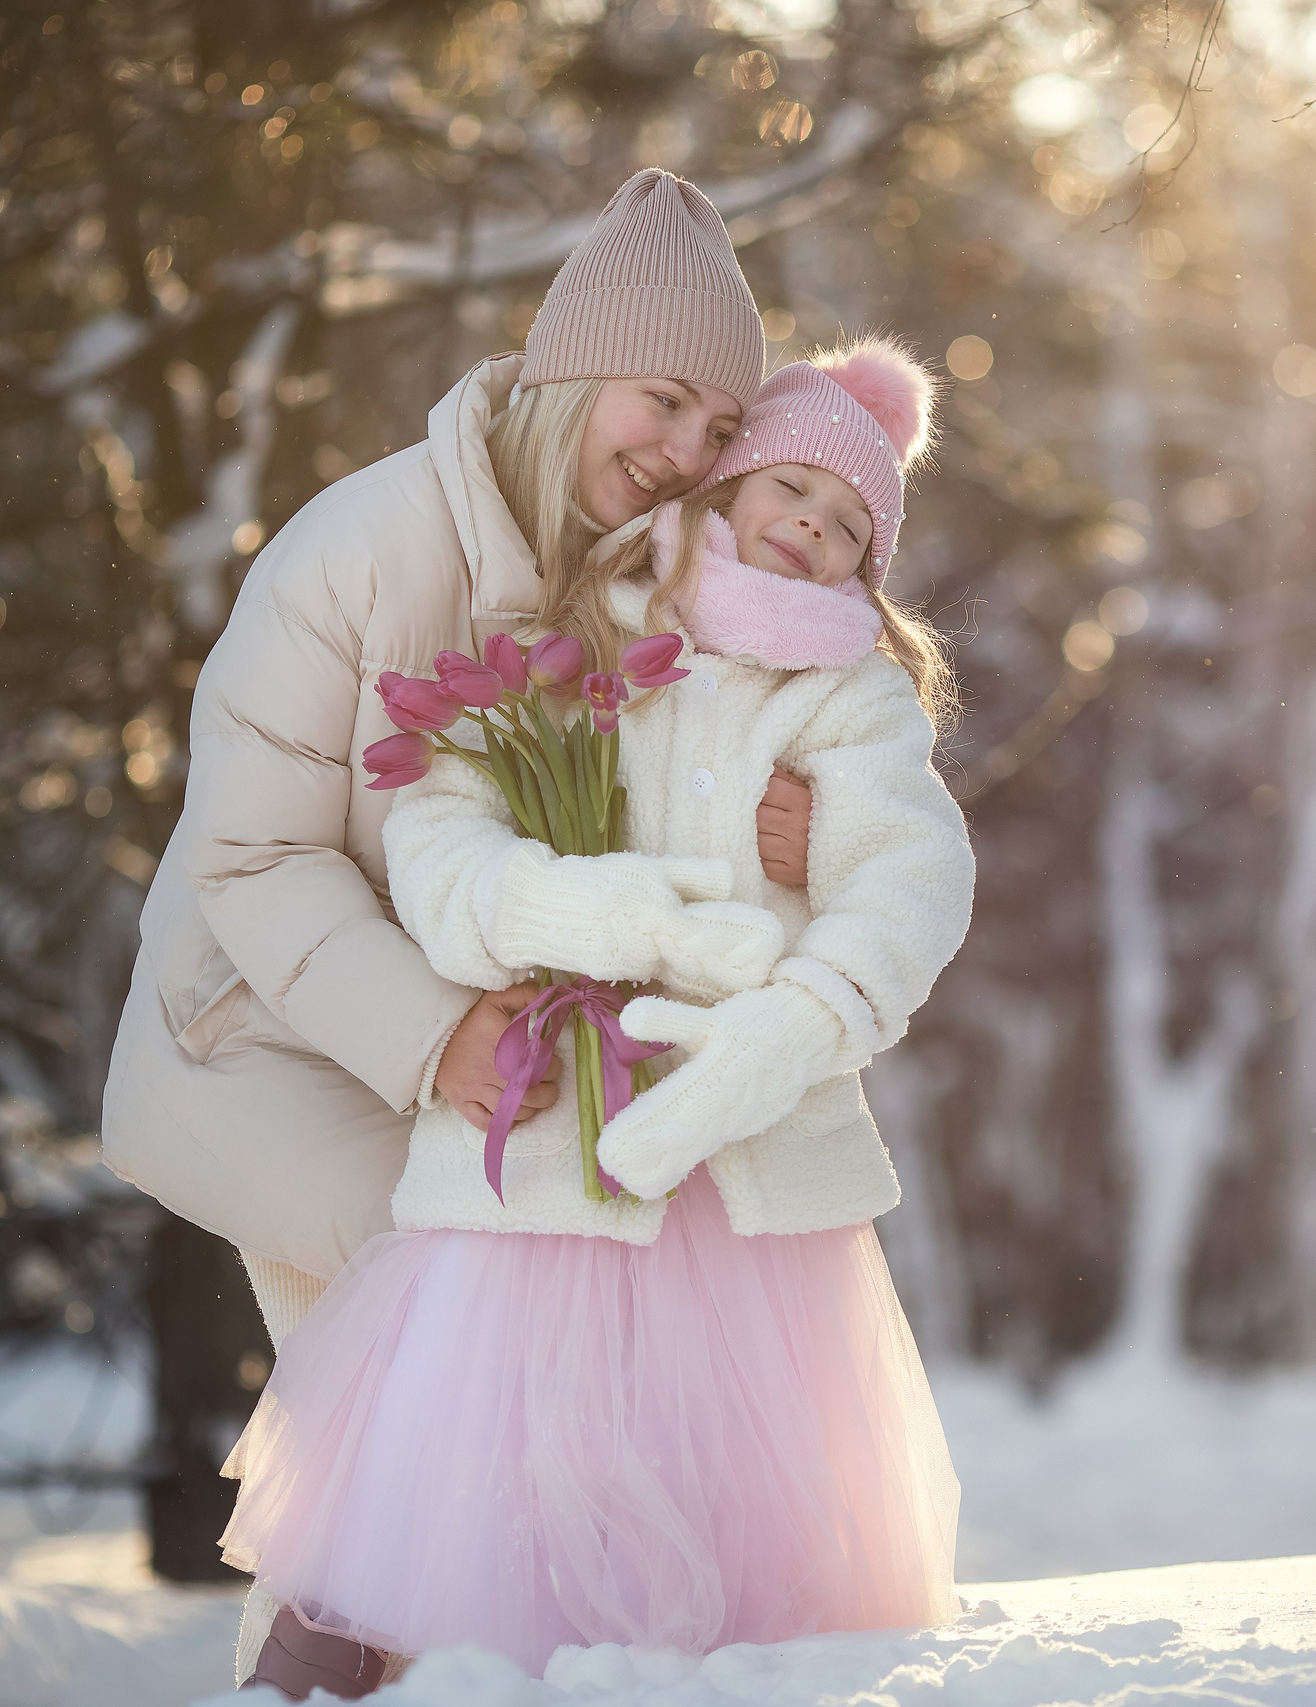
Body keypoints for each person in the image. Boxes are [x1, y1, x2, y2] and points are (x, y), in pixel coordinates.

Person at [216, 340, 972, 1694]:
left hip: (747, 1182)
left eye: (849, 522)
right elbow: (441, 844)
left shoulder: (849, 694)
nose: (811, 525)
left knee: (734, 1502)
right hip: (550, 1130)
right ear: (733, 483)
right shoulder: (584, 629)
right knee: (492, 1456)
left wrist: (797, 1014)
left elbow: (910, 880)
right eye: (793, 487)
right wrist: (599, 917)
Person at [100, 168, 818, 1323]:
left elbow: (665, 821)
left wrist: (782, 833)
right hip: (275, 1041)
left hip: (512, 1070)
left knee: (622, 1354)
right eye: (664, 399)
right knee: (478, 1372)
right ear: (574, 371)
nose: (688, 451)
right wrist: (434, 1037)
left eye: (723, 430)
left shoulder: (648, 586)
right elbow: (252, 857)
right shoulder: (360, 546)